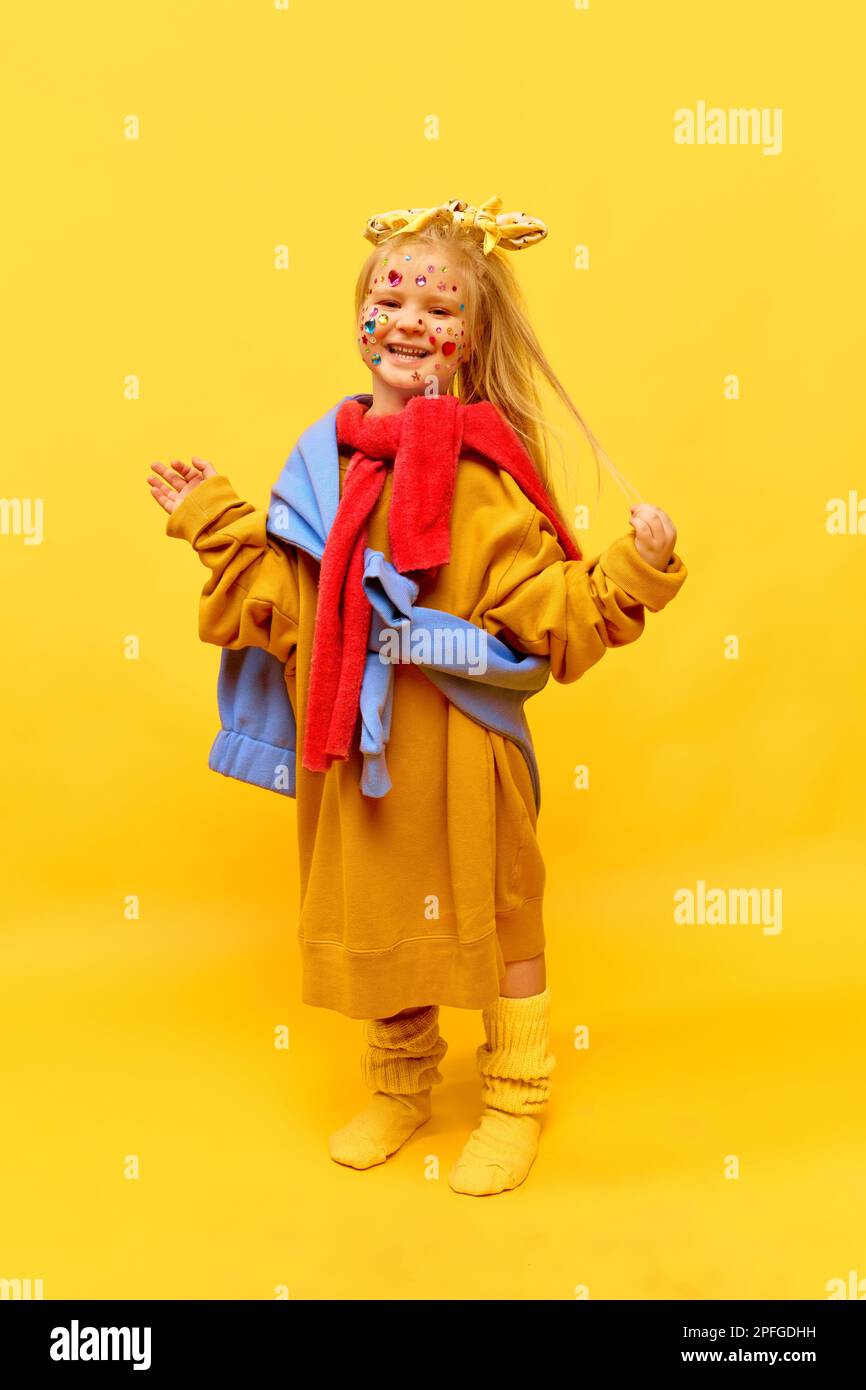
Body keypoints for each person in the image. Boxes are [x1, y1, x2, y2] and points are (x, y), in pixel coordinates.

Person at [147, 196, 688, 1196]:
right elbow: (285, 604)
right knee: (379, 907)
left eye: (438, 307)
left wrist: (633, 566)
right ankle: (400, 1086)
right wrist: (211, 519)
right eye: (387, 297)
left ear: (469, 341)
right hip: (359, 741)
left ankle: (517, 1097)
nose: (406, 319)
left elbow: (557, 619)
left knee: (501, 914)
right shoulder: (323, 468)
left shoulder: (483, 481)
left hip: (460, 740)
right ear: (357, 320)